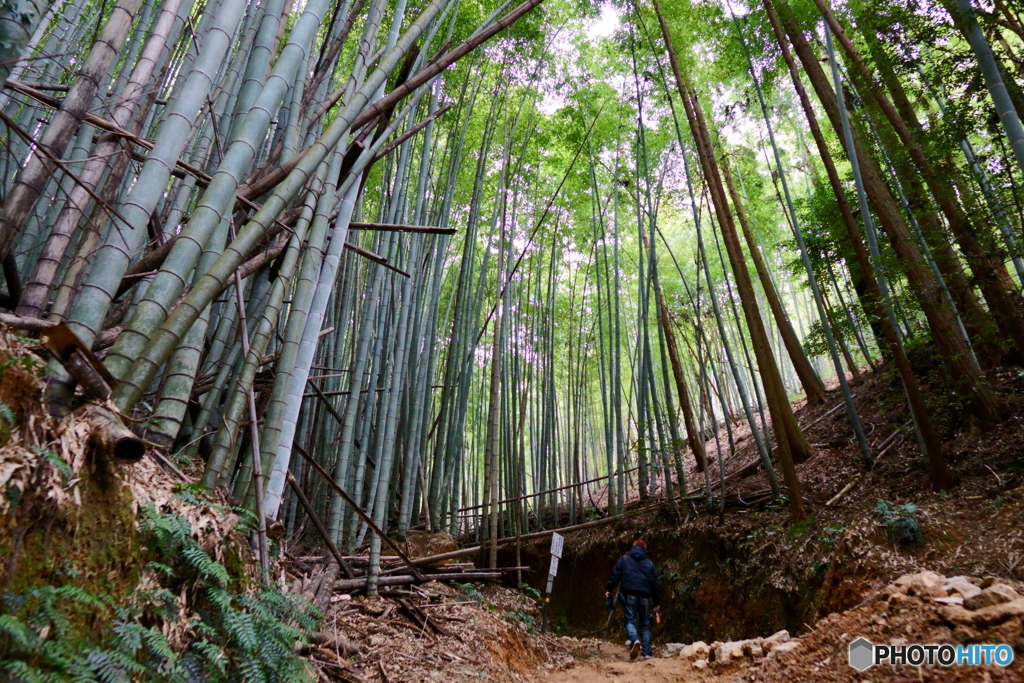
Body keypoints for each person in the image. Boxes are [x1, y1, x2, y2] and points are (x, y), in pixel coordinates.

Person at [604, 537, 661, 660]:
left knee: (630, 621)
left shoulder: (624, 559)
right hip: (645, 596)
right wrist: (656, 602)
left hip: (629, 594)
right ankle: (647, 653)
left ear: (633, 547)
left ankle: (635, 640)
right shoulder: (649, 564)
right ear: (644, 549)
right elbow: (655, 585)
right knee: (645, 624)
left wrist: (609, 589)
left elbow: (615, 575)